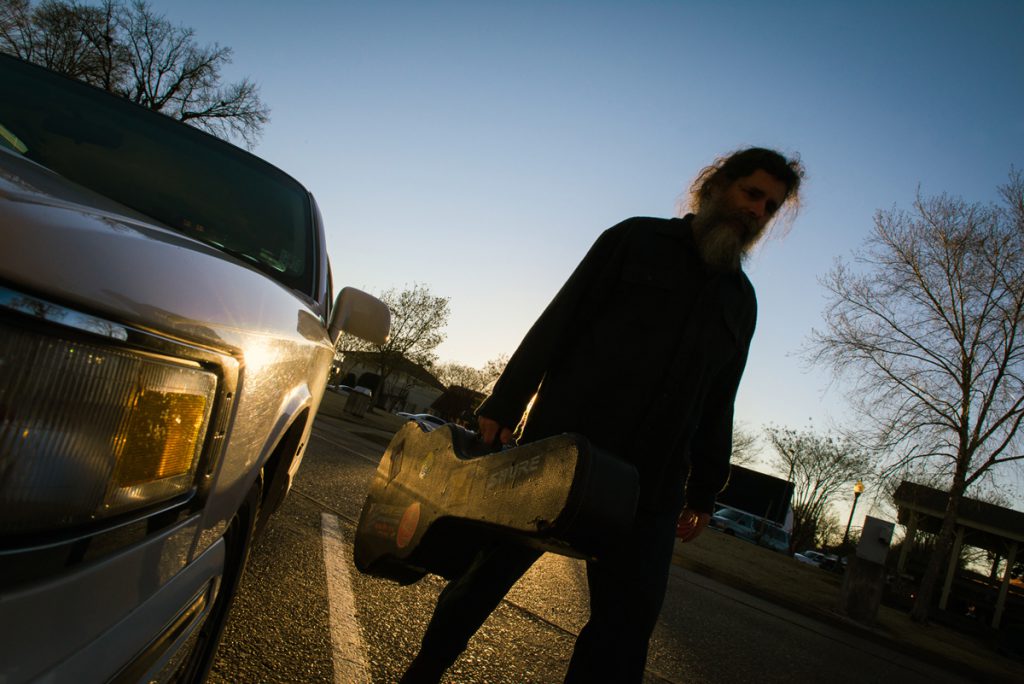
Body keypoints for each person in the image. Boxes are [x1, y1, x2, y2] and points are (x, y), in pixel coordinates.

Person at [400, 147, 805, 683]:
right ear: (715, 186)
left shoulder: (740, 301)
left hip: (653, 487)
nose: (757, 211)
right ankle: (421, 674)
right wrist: (505, 402)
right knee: (482, 581)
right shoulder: (634, 240)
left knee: (626, 629)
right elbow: (559, 320)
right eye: (751, 193)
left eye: (770, 207)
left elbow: (719, 399)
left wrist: (706, 489)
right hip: (563, 453)